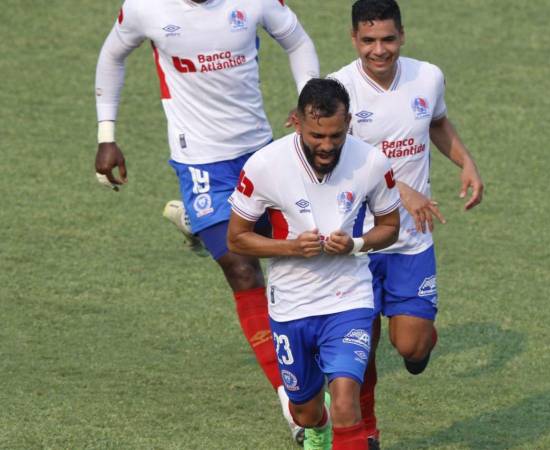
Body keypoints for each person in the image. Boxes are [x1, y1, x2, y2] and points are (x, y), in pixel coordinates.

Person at [93, 0, 319, 443]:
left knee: (299, 259)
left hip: (260, 153)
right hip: (200, 164)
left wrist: (310, 104)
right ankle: (290, 400)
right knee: (241, 267)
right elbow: (112, 55)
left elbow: (296, 38)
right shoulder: (145, 7)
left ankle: (199, 223)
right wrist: (107, 135)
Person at [327, 1, 484, 448]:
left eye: (388, 39)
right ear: (354, 38)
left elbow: (436, 123)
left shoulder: (427, 77)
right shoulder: (337, 89)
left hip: (411, 242)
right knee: (361, 346)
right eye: (369, 40)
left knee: (412, 347)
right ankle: (368, 431)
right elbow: (336, 160)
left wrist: (465, 161)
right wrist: (400, 191)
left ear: (402, 36)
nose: (380, 50)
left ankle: (419, 341)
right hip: (359, 241)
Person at [227, 78, 401, 450]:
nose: (326, 146)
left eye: (335, 136)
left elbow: (390, 228)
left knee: (345, 404)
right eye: (316, 136)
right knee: (305, 410)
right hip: (291, 305)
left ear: (348, 123)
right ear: (296, 122)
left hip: (348, 300)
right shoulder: (265, 166)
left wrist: (356, 243)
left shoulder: (372, 162)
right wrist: (291, 248)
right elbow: (237, 238)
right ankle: (316, 429)